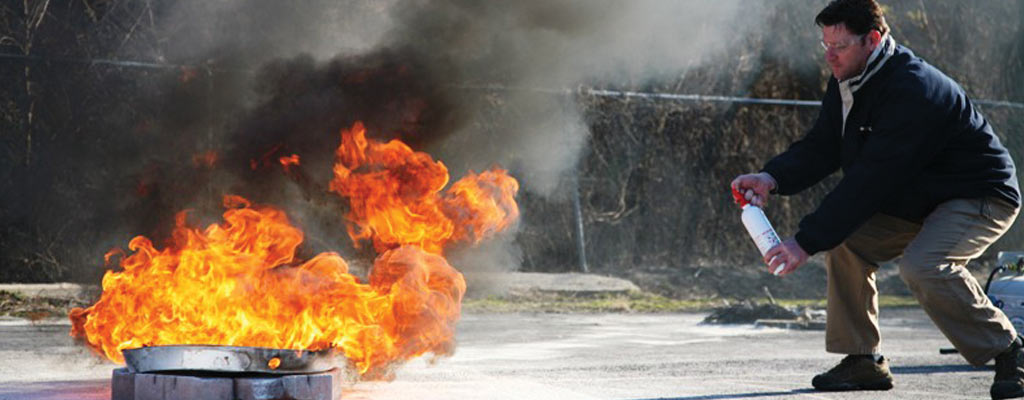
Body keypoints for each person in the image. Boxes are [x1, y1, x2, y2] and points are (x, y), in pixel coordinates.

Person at [730, 0, 1024, 398]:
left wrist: (805, 241)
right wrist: (772, 177)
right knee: (847, 243)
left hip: (977, 194)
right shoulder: (848, 78)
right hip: (917, 197)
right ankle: (862, 360)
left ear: (874, 39)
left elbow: (871, 180)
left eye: (840, 45)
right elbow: (823, 147)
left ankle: (1009, 350)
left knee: (923, 265)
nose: (830, 55)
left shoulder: (913, 89)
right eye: (824, 45)